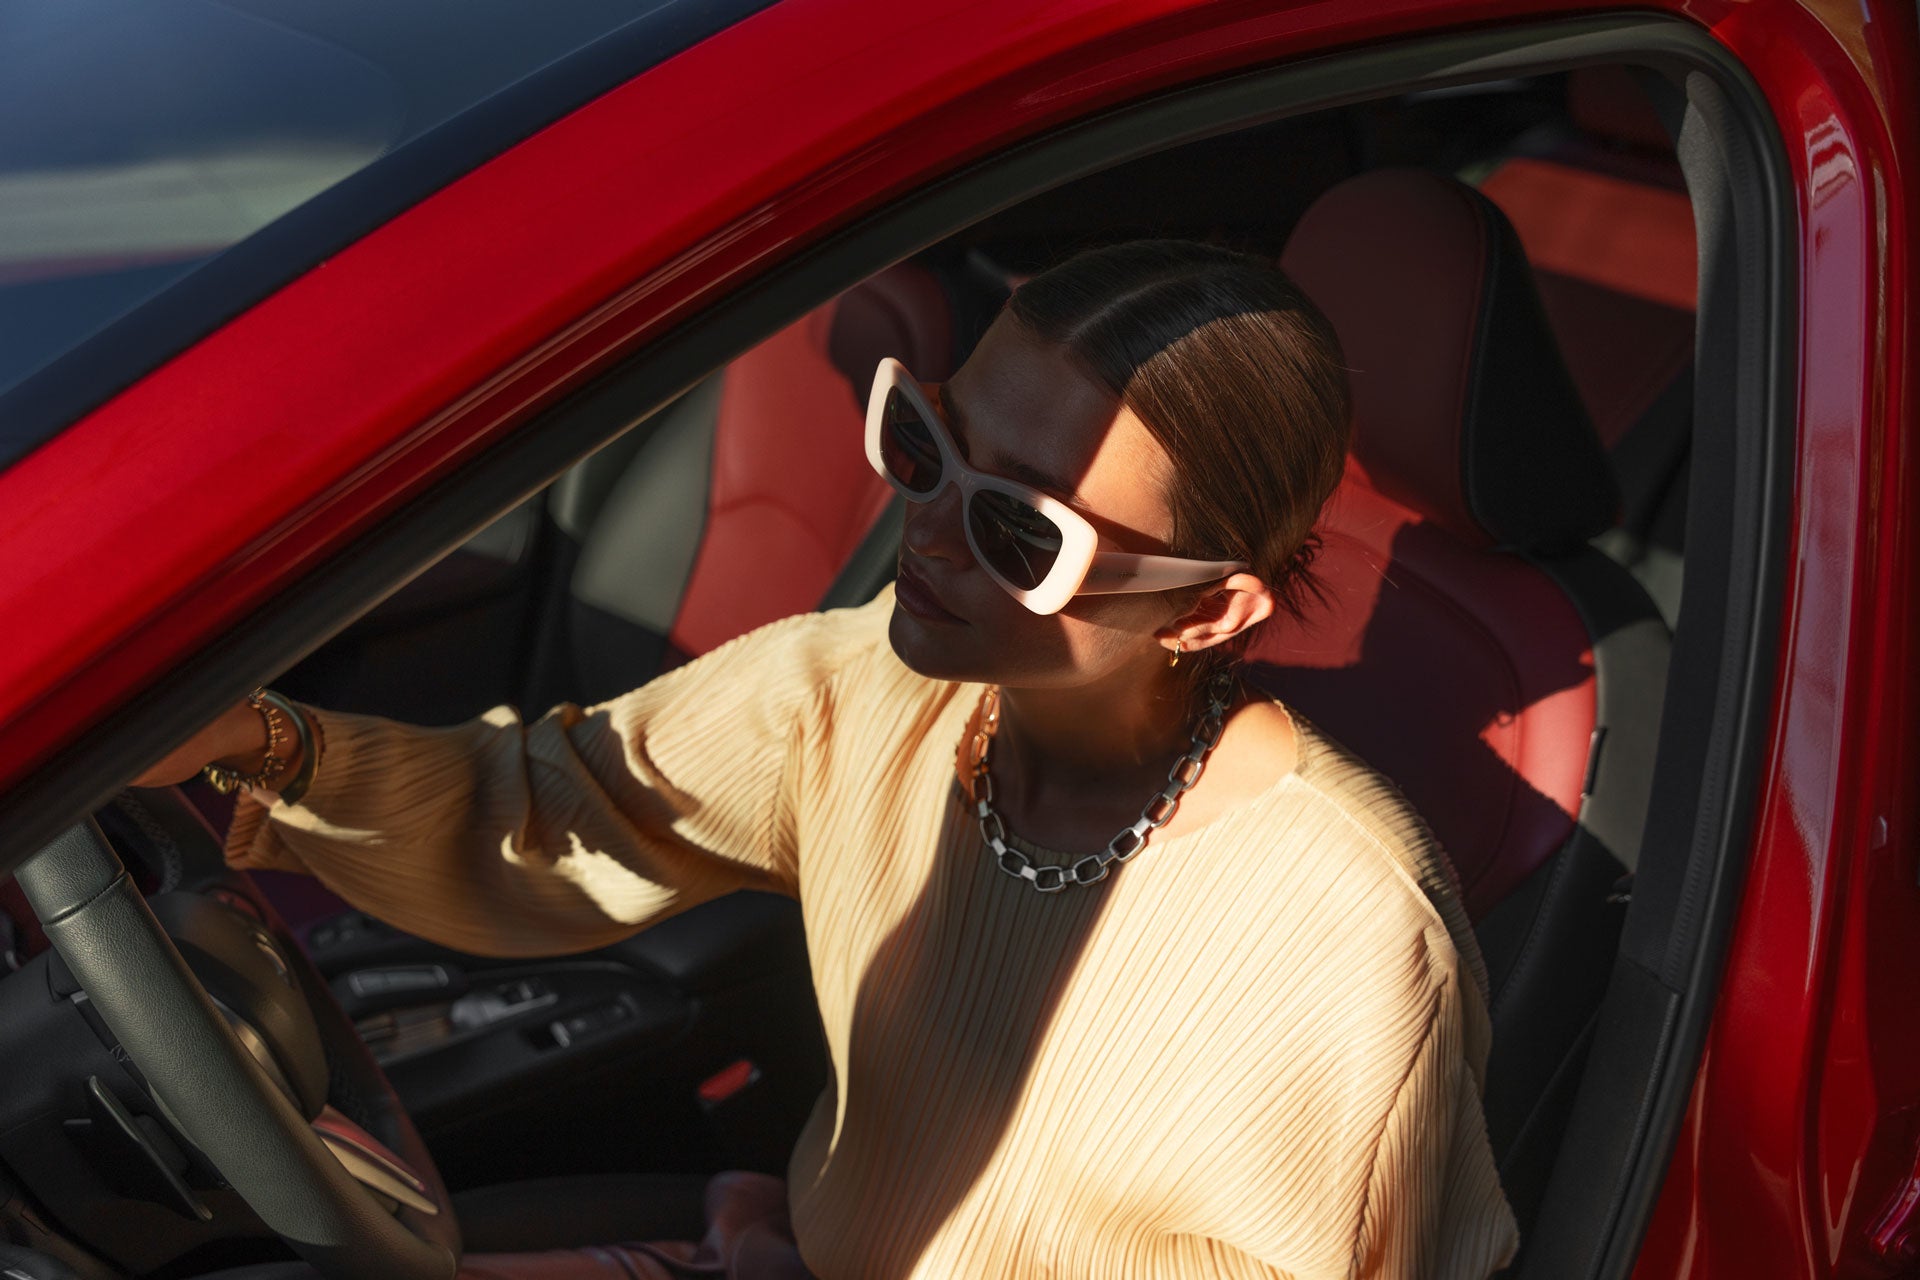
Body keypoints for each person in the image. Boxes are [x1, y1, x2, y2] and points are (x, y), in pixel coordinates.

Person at [140, 240, 1520, 1279]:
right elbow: (564, 814)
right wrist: (258, 741)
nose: (927, 528)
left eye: (1020, 532)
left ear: (1210, 612)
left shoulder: (1349, 939)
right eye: (924, 443)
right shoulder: (875, 687)